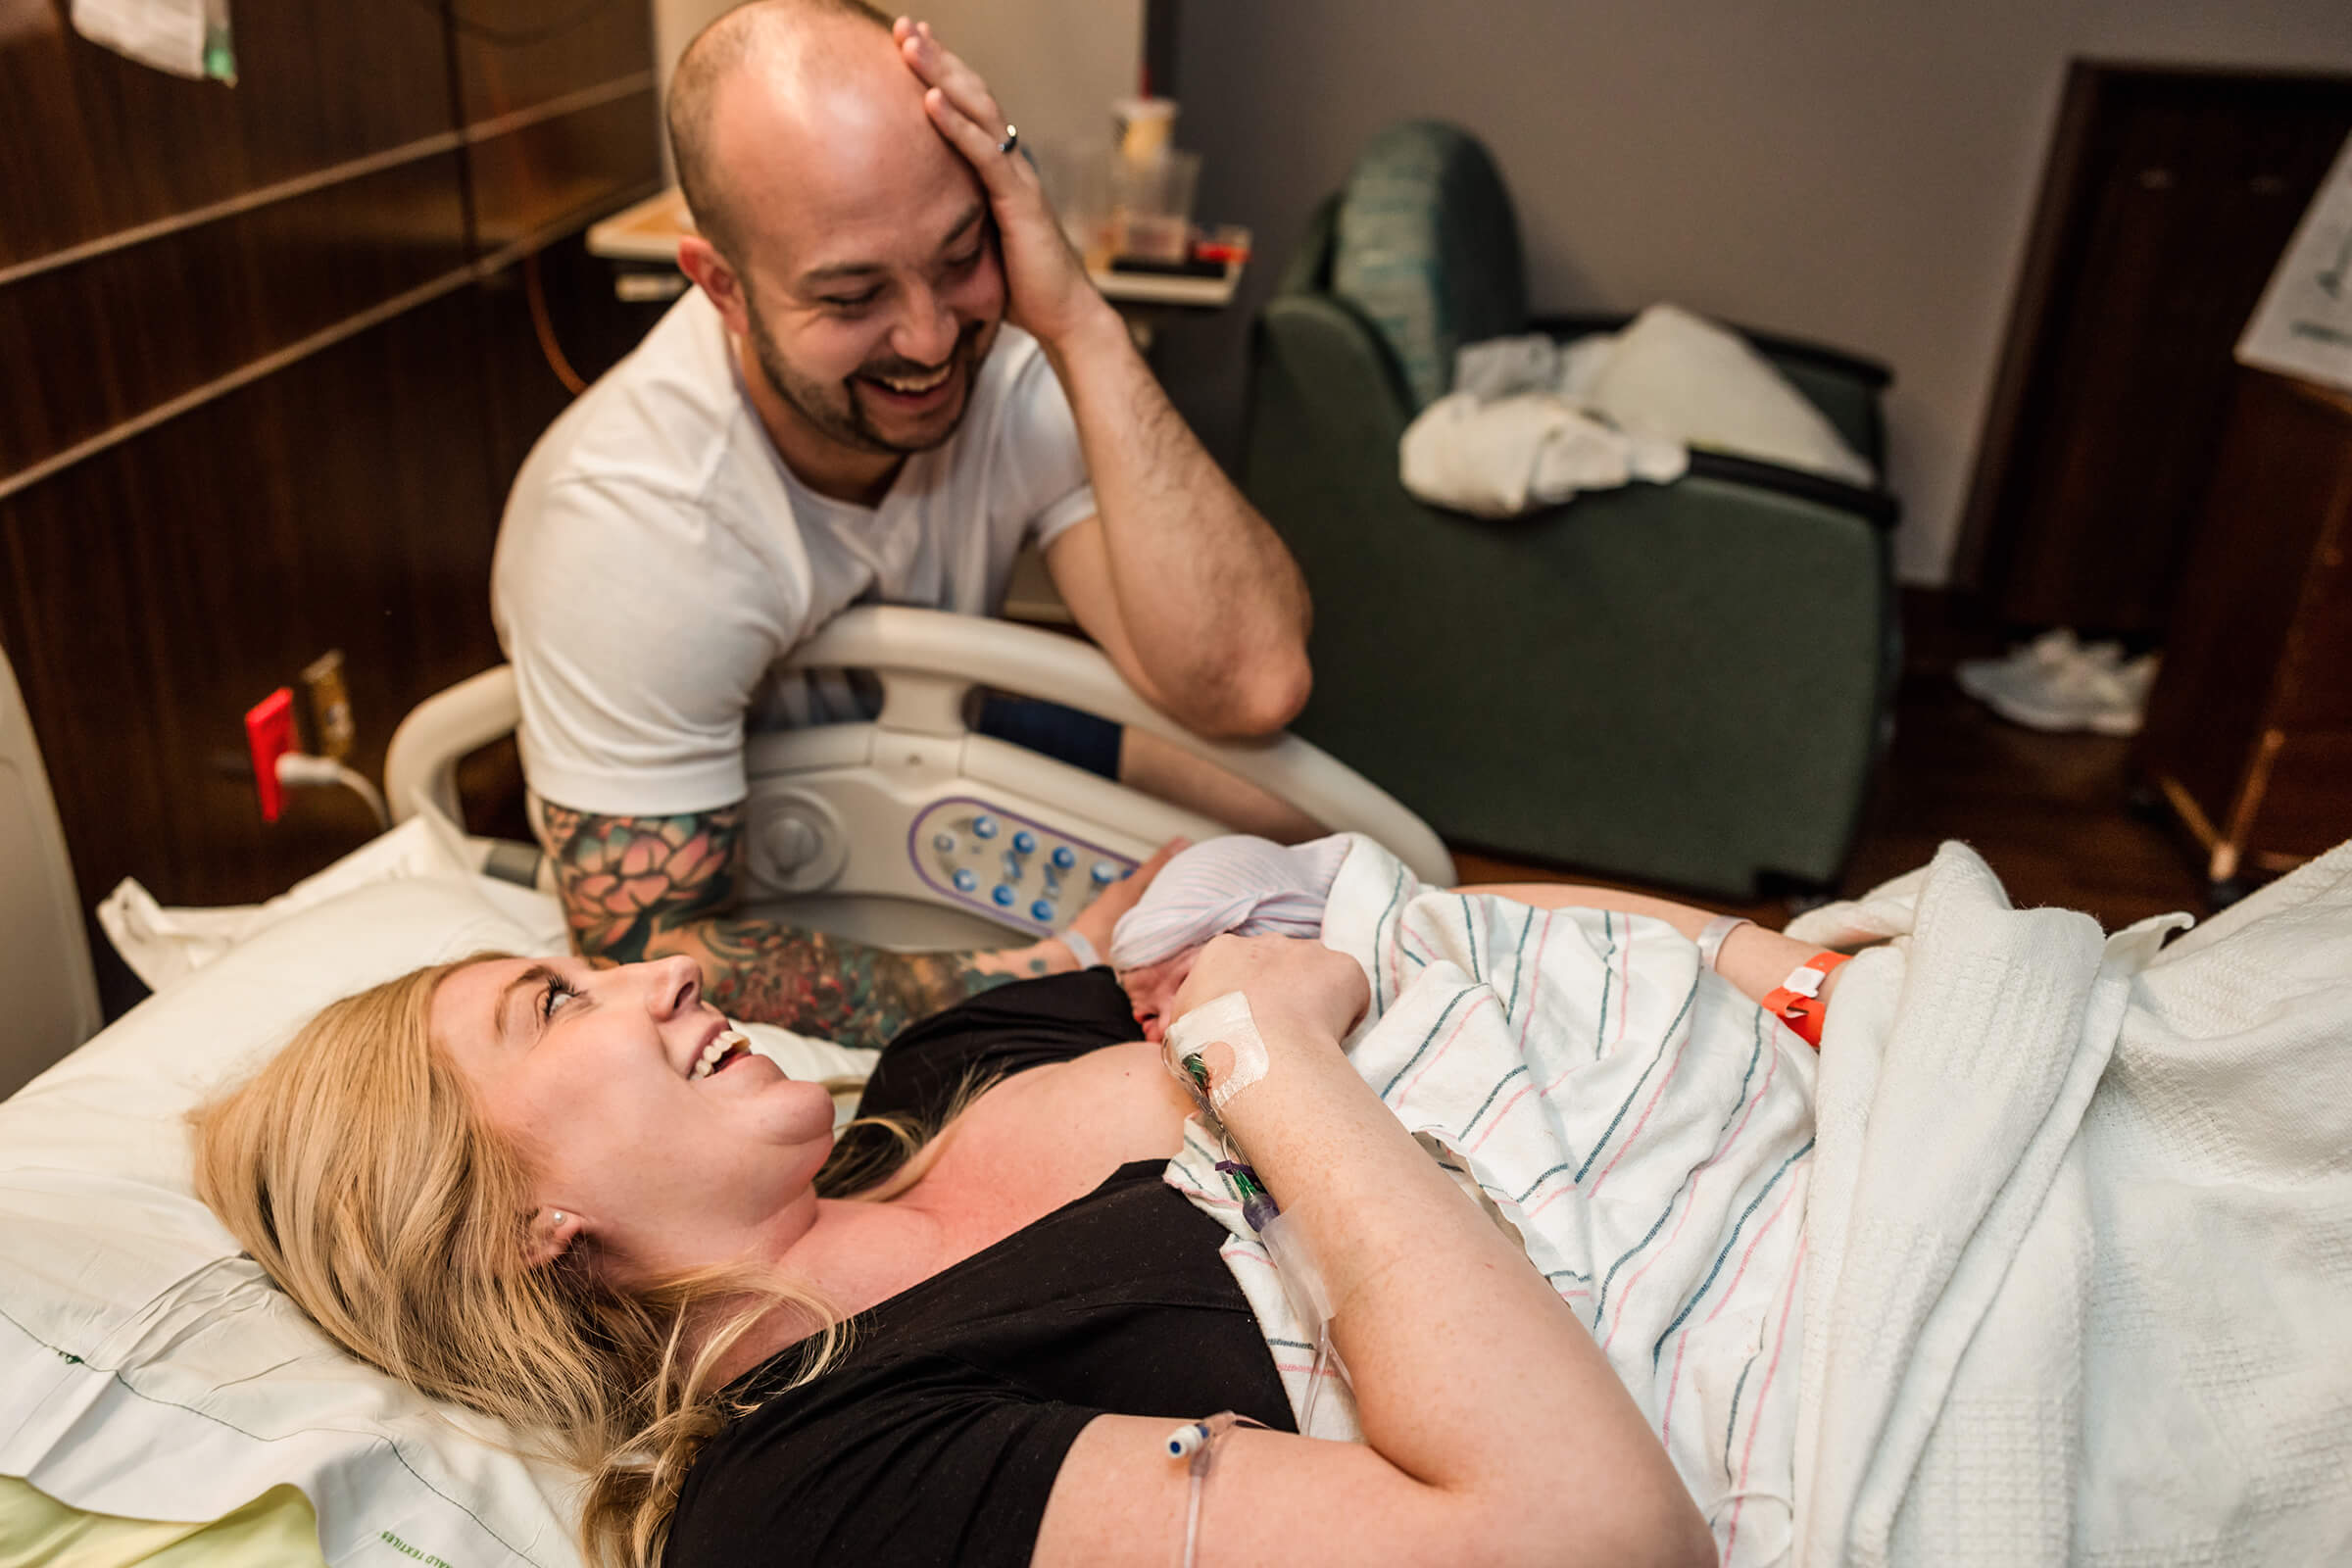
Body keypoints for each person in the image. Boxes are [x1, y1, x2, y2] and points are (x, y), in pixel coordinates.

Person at [192, 871, 1857, 1567]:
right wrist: (1265, 1058)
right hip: (1855, 1314)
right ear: (511, 1224)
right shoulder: (803, 1484)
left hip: (1863, 1070)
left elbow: (1399, 919)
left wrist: (1789, 972)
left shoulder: (948, 1063)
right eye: (553, 1012)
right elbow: (1576, 1543)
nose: (667, 972)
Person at [489, 1, 1314, 1047]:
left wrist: (1076, 319)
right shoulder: (635, 520)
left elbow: (1251, 680)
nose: (930, 339)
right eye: (851, 297)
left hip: (942, 745)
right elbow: (647, 958)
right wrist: (1058, 967)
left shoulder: (1005, 362)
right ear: (722, 288)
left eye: (961, 254)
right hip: (780, 863)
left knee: (1296, 835)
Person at [1107, 834, 1852, 1046]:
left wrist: (1807, 983)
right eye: (1142, 1013)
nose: (1157, 1028)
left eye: (1174, 985)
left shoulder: (1428, 936)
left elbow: (1607, 943)